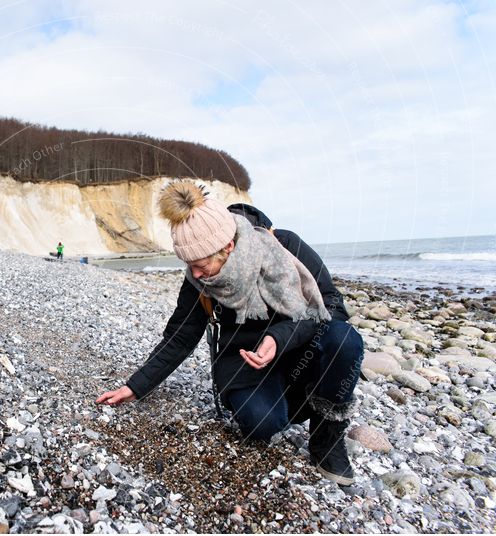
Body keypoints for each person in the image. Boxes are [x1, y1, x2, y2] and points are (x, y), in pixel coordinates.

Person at [96, 180, 363, 485]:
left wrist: (281, 336)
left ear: (228, 248)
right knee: (261, 425)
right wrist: (136, 385)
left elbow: (333, 308)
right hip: (242, 362)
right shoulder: (198, 281)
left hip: (297, 349)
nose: (194, 274)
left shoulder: (285, 246)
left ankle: (326, 438)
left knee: (344, 339)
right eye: (189, 265)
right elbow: (181, 336)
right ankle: (288, 405)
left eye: (200, 264)